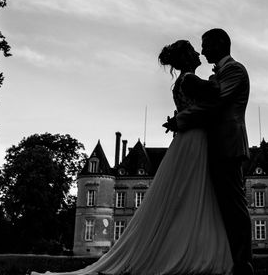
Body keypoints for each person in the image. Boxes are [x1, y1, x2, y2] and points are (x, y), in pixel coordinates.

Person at [31, 39, 232, 275]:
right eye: (193, 51)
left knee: (185, 196)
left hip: (186, 139)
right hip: (194, 140)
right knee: (194, 193)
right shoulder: (190, 79)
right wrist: (218, 75)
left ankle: (184, 250)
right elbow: (218, 96)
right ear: (187, 57)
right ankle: (193, 252)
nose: (199, 53)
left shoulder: (180, 82)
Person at [166, 28, 253, 275]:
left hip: (228, 146)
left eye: (205, 45)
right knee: (220, 206)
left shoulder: (235, 70)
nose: (202, 50)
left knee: (233, 205)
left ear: (221, 44)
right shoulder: (216, 75)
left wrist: (179, 120)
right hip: (213, 145)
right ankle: (226, 260)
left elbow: (216, 104)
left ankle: (242, 264)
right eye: (199, 47)